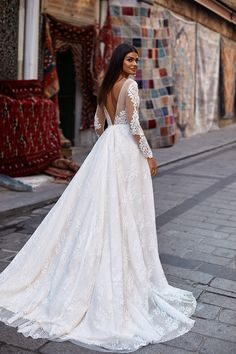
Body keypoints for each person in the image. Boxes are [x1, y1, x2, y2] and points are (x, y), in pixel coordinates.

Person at [0, 43, 196, 353]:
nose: (135, 65)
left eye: (136, 60)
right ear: (121, 60)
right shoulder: (129, 86)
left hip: (107, 147)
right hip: (126, 151)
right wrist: (148, 155)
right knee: (124, 208)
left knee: (100, 206)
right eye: (130, 59)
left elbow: (97, 124)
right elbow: (133, 124)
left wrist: (108, 139)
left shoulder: (106, 86)